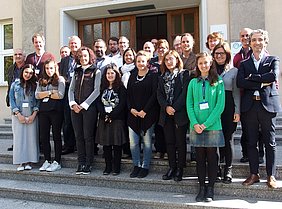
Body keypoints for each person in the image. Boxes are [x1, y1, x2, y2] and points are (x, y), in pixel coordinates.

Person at [237, 29, 280, 189]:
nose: (257, 43)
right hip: (250, 106)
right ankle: (254, 173)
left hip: (267, 105)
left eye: (260, 40)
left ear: (265, 42)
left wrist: (252, 79)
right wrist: (262, 81)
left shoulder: (272, 60)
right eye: (254, 40)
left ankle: (271, 175)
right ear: (250, 43)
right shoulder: (244, 64)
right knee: (251, 142)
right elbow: (241, 82)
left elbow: (273, 76)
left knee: (270, 142)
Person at [187, 52, 225, 202]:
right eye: (200, 63)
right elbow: (189, 104)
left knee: (211, 157)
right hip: (196, 126)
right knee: (200, 158)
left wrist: (205, 124)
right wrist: (195, 123)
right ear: (197, 65)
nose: (203, 65)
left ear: (211, 64)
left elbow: (219, 106)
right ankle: (202, 187)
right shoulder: (192, 83)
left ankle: (211, 188)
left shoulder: (218, 81)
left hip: (212, 126)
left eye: (206, 63)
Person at [157, 50, 190, 182]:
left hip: (179, 113)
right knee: (169, 142)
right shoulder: (161, 77)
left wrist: (174, 107)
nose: (169, 62)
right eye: (166, 60)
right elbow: (159, 94)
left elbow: (185, 93)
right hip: (166, 114)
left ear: (177, 60)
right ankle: (172, 167)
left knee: (180, 142)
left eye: (171, 59)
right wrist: (166, 107)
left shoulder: (184, 74)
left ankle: (180, 169)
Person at [68, 46, 101, 175]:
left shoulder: (96, 71)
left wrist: (84, 104)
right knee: (78, 136)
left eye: (85, 56)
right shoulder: (76, 71)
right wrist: (72, 103)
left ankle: (88, 163)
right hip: (75, 108)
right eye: (80, 56)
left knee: (88, 136)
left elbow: (97, 90)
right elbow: (71, 90)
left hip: (89, 109)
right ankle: (80, 162)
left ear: (90, 56)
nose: (83, 58)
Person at [127, 50, 159, 178]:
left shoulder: (153, 76)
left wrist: (144, 111)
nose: (141, 63)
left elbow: (154, 95)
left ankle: (145, 166)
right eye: (138, 61)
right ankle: (136, 165)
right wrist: (131, 109)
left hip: (147, 114)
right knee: (133, 142)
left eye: (143, 61)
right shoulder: (132, 75)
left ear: (148, 62)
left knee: (146, 142)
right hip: (133, 114)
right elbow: (128, 95)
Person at [213, 42, 240, 183]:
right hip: (213, 108)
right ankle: (216, 169)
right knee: (215, 139)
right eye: (216, 53)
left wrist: (237, 111)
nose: (219, 56)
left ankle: (228, 169)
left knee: (228, 139)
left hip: (229, 107)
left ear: (227, 55)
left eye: (222, 53)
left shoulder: (233, 71)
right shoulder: (210, 70)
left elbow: (236, 93)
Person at [96, 64, 127, 175]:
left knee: (117, 145)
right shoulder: (102, 87)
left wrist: (112, 115)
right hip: (104, 119)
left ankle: (116, 167)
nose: (110, 75)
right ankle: (108, 167)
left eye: (112, 73)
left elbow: (122, 103)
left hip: (116, 119)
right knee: (106, 145)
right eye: (108, 73)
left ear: (116, 74)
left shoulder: (121, 88)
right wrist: (104, 113)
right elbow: (98, 102)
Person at [35, 60, 65, 172]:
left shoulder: (60, 79)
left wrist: (46, 93)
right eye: (47, 68)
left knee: (56, 136)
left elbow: (60, 95)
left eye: (51, 68)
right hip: (43, 112)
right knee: (44, 136)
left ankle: (57, 161)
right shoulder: (41, 80)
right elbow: (37, 95)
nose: (49, 70)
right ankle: (47, 160)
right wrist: (51, 92)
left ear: (55, 68)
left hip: (56, 111)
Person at [9, 64, 39, 171]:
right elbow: (11, 99)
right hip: (18, 115)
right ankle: (21, 162)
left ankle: (29, 161)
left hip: (31, 114)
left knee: (31, 138)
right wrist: (18, 114)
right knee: (19, 138)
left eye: (31, 73)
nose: (28, 75)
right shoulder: (15, 84)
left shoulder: (35, 85)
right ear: (22, 72)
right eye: (26, 72)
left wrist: (33, 115)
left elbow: (38, 101)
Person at [59, 35, 81, 155]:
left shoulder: (84, 56)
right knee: (67, 120)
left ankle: (80, 145)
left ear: (80, 44)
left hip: (81, 91)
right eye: (71, 44)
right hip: (68, 90)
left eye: (75, 44)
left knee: (80, 120)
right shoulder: (65, 60)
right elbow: (61, 76)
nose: (73, 46)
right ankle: (69, 145)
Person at [6, 48, 26, 152]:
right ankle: (16, 144)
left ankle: (26, 145)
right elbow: (10, 85)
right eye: (16, 54)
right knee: (15, 125)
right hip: (14, 100)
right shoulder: (11, 69)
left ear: (24, 56)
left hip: (26, 100)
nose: (18, 56)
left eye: (20, 54)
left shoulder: (27, 68)